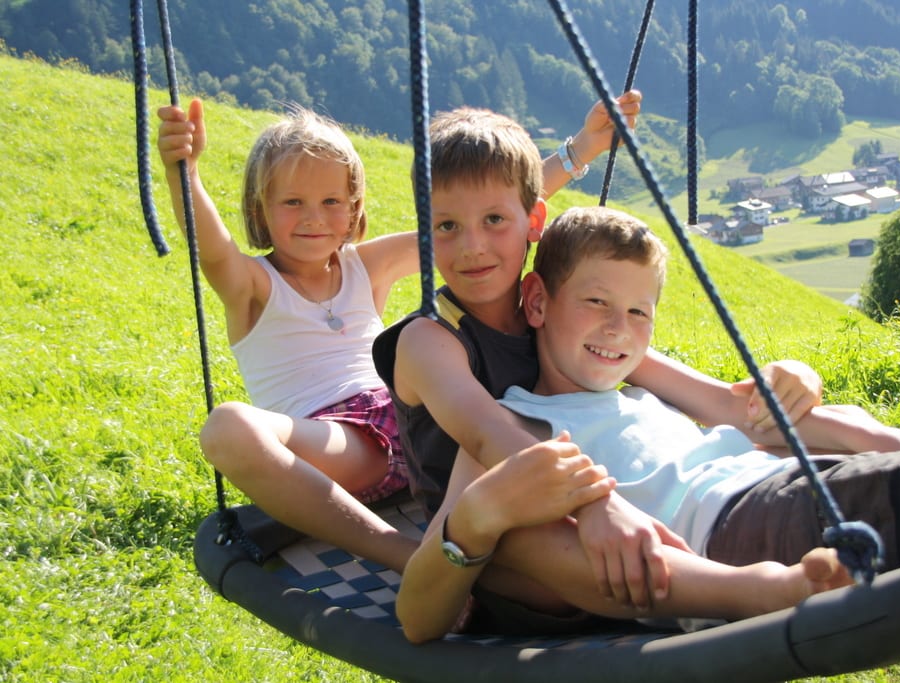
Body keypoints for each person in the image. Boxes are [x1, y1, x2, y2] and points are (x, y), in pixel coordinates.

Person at [396, 205, 900, 642]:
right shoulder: (518, 424)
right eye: (596, 302)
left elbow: (750, 412)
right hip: (743, 521)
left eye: (639, 313)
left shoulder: (641, 390)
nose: (618, 329)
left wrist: (810, 391)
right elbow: (431, 587)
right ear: (538, 301)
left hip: (783, 481)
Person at [156, 92, 643, 572]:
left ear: (354, 207)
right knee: (228, 428)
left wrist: (583, 148)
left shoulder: (366, 265)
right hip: (338, 444)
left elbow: (485, 213)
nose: (313, 217)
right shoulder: (253, 287)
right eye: (293, 202)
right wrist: (185, 172)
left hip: (414, 423)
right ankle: (401, 554)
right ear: (260, 208)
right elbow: (212, 248)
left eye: (331, 201)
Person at [371, 107, 829, 618]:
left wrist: (795, 377)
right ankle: (750, 592)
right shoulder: (429, 339)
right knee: (529, 535)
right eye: (446, 226)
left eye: (494, 221)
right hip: (487, 537)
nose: (472, 247)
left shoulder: (560, 319)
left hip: (594, 507)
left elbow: (715, 399)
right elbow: (486, 436)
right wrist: (595, 504)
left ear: (532, 224)